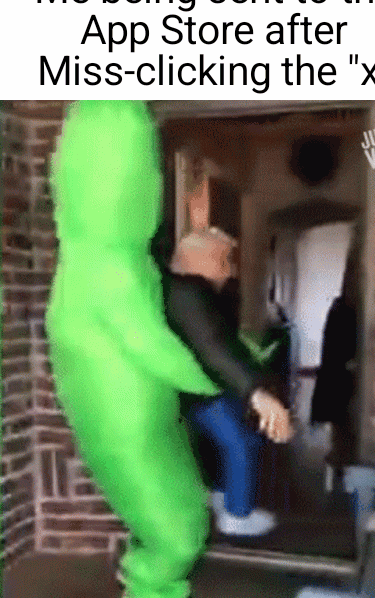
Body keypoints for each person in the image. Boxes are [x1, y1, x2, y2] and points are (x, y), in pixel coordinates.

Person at [46, 100, 291, 598]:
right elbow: (164, 345)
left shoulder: (123, 263)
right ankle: (153, 579)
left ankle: (152, 569)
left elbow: (190, 328)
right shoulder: (112, 271)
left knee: (176, 509)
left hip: (155, 412)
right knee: (178, 533)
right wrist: (238, 388)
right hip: (138, 415)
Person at [162, 227, 294, 536]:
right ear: (198, 260)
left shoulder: (193, 293)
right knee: (240, 442)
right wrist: (256, 392)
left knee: (234, 441)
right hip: (200, 391)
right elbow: (213, 348)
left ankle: (225, 499)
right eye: (223, 261)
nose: (230, 271)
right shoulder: (187, 295)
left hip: (206, 387)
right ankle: (237, 514)